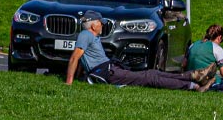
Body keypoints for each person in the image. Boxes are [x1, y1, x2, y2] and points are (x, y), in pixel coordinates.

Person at [64, 12, 196, 89]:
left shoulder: (88, 36)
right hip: (108, 72)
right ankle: (191, 84)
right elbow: (75, 58)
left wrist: (80, 76)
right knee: (149, 77)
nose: (102, 25)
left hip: (109, 69)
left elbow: (82, 58)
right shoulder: (85, 35)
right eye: (100, 22)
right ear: (93, 25)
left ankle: (191, 78)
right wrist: (69, 82)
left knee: (151, 73)